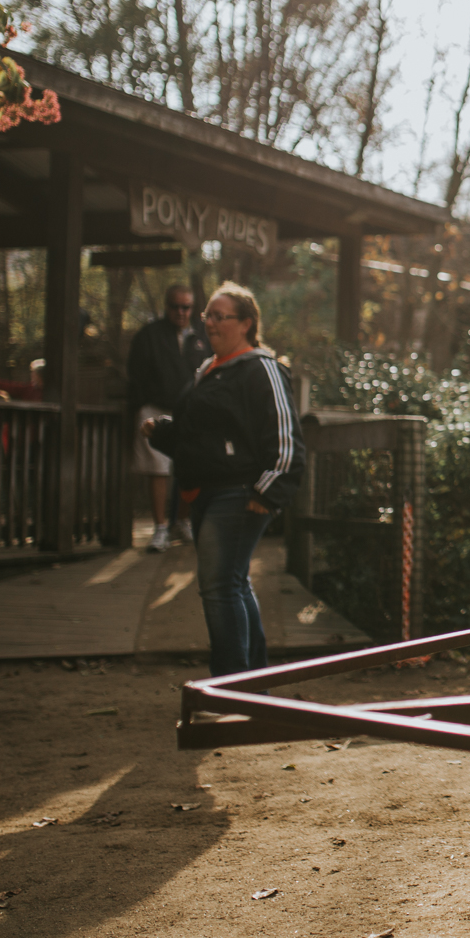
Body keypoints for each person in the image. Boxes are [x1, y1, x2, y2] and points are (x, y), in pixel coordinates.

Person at [145, 283, 302, 677]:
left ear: (246, 323)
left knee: (219, 586)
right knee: (232, 583)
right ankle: (251, 685)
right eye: (207, 316)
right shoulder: (208, 370)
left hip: (240, 491)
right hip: (207, 491)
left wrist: (268, 491)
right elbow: (203, 434)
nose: (209, 324)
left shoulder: (261, 368)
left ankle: (231, 687)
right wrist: (162, 431)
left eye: (220, 316)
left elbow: (286, 438)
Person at [126, 284, 210, 553]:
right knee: (158, 469)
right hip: (154, 408)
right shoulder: (149, 335)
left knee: (191, 466)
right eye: (176, 306)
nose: (181, 312)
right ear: (167, 306)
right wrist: (144, 404)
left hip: (190, 413)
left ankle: (182, 520)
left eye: (186, 307)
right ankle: (160, 527)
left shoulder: (202, 336)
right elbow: (135, 374)